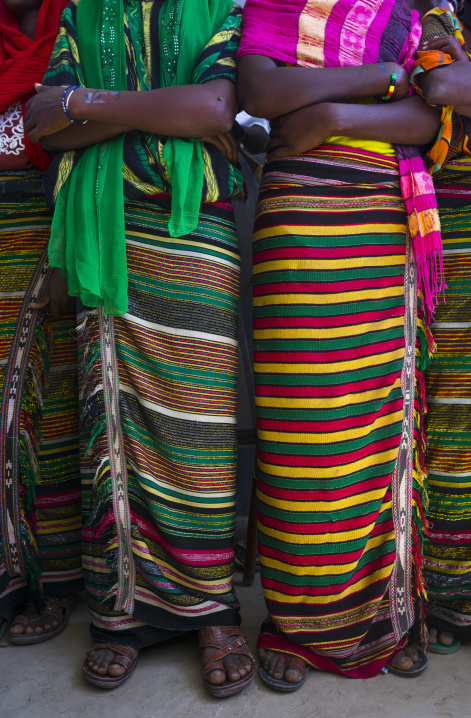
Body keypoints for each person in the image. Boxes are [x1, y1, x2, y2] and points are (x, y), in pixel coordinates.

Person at [23, 0, 254, 695]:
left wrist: (91, 106)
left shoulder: (220, 8)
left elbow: (215, 107)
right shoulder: (82, 14)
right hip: (102, 235)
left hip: (193, 235)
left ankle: (213, 612)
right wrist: (155, 108)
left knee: (201, 430)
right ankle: (120, 616)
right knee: (110, 428)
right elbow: (43, 122)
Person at [237, 0, 442, 689]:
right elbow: (262, 93)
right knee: (307, 429)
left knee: (376, 429)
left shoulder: (412, 14)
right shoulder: (275, 6)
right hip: (300, 219)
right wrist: (383, 77)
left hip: (385, 218)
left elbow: (427, 114)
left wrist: (332, 115)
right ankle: (297, 623)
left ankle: (379, 617)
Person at [410, 0, 471, 656]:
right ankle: (459, 593)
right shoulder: (439, 14)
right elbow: (440, 87)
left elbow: (459, 92)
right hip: (466, 238)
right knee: (458, 415)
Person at [0, 0, 82, 645]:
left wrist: (63, 254)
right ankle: (7, 576)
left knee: (43, 412)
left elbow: (75, 146)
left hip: (47, 232)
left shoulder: (74, 34)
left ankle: (51, 581)